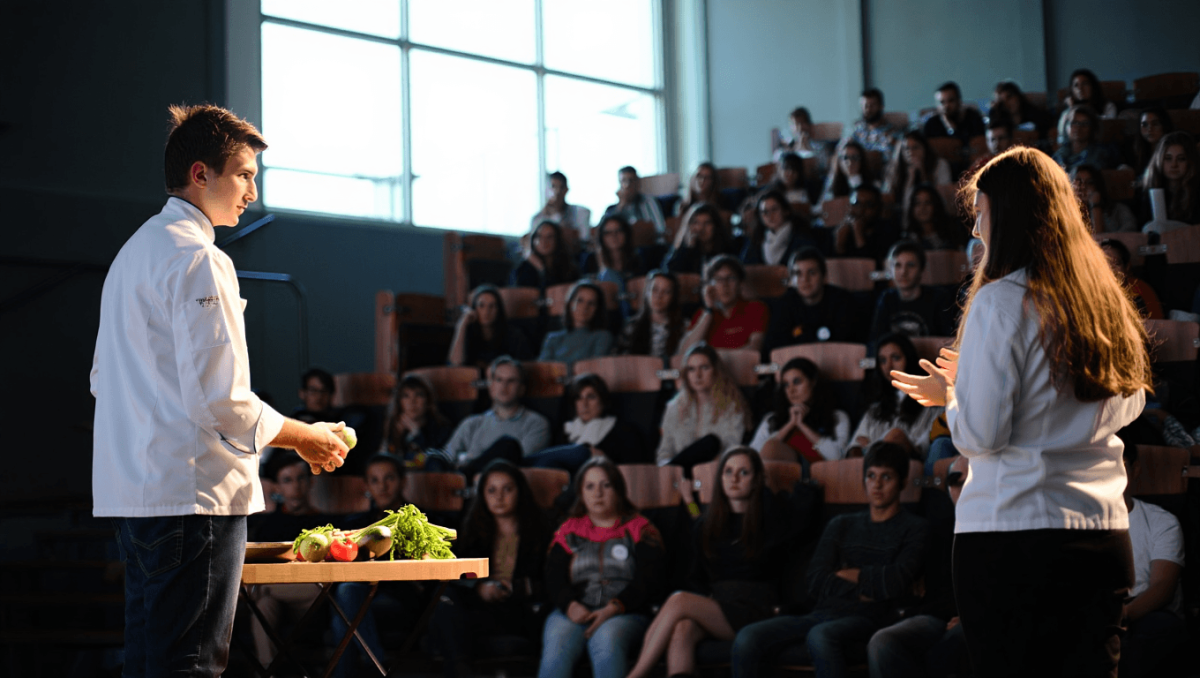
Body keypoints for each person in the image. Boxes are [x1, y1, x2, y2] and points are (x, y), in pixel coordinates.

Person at [91, 104, 349, 677]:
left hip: (133, 496)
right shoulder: (198, 258)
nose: (252, 192)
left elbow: (100, 381)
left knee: (150, 665)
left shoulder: (132, 255)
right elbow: (221, 402)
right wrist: (306, 436)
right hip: (190, 500)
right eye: (244, 175)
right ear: (201, 174)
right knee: (190, 667)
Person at [892, 146, 1151, 677]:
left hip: (1014, 537)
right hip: (1101, 533)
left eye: (981, 214)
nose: (978, 232)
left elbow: (983, 435)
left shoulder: (1001, 301)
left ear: (1006, 216)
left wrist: (956, 395)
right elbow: (1132, 401)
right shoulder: (1102, 300)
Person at [730, 442, 928, 678]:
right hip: (823, 611)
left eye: (887, 477)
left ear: (903, 482)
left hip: (872, 617)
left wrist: (845, 574)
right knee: (746, 637)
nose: (877, 484)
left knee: (820, 636)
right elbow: (815, 580)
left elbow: (896, 583)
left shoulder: (915, 527)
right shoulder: (841, 524)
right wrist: (869, 583)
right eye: (871, 476)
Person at [626, 447, 815, 678]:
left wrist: (769, 489)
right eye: (728, 471)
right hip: (719, 607)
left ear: (756, 480)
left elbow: (804, 507)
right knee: (682, 629)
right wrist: (688, 500)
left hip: (757, 608)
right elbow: (696, 531)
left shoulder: (771, 516)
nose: (734, 478)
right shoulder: (708, 524)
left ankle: (634, 676)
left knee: (679, 601)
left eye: (743, 472)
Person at [538, 457, 666, 678]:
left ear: (618, 489)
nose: (597, 493)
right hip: (574, 610)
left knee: (605, 640)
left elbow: (649, 580)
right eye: (590, 486)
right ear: (581, 493)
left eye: (605, 485)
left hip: (625, 612)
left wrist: (614, 608)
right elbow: (553, 577)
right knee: (557, 645)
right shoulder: (568, 530)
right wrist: (569, 606)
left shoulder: (640, 528)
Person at [428, 460, 551, 678]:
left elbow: (550, 583)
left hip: (519, 611)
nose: (499, 497)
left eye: (507, 489)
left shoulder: (540, 532)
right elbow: (456, 574)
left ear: (519, 492)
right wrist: (479, 587)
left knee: (441, 634)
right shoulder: (473, 530)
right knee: (443, 600)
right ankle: (462, 672)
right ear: (482, 495)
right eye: (491, 490)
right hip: (479, 609)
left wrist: (513, 588)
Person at [866, 454, 969, 678]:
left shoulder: (1002, 529)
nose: (962, 487)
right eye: (955, 480)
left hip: (978, 617)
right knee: (882, 642)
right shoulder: (937, 528)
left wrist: (969, 614)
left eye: (970, 480)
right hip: (938, 615)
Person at [329, 455, 419, 678]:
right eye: (375, 480)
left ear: (402, 481)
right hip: (359, 595)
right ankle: (380, 668)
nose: (383, 486)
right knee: (347, 599)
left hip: (400, 597)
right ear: (367, 485)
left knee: (344, 613)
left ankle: (377, 668)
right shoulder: (354, 524)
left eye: (389, 478)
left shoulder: (419, 521)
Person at [246, 452, 336, 670]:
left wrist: (262, 585)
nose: (295, 486)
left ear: (310, 482)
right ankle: (268, 672)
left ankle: (261, 589)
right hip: (279, 598)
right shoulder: (268, 525)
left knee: (318, 588)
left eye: (300, 478)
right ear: (277, 487)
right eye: (287, 480)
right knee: (264, 605)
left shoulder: (325, 523)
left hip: (312, 596)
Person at [1118, 442, 1187, 678]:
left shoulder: (1162, 521)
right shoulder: (1079, 521)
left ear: (1134, 469)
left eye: (1120, 465)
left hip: (1147, 611)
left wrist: (1122, 617)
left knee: (1157, 630)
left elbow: (1163, 587)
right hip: (1101, 610)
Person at [444, 356, 550, 478]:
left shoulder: (536, 423)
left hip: (502, 486)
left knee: (508, 446)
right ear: (491, 387)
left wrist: (466, 461)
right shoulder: (471, 423)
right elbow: (446, 456)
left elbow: (519, 463)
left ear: (521, 389)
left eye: (511, 381)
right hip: (463, 486)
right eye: (499, 380)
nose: (504, 386)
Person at [656, 344, 750, 474]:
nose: (697, 375)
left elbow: (730, 452)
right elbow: (664, 453)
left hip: (713, 474)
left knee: (711, 442)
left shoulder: (732, 407)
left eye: (704, 368)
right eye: (691, 369)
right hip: (677, 476)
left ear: (716, 371)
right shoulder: (673, 407)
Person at [526, 373, 647, 473]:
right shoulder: (566, 431)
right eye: (579, 398)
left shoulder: (625, 432)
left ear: (603, 401)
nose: (584, 404)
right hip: (564, 485)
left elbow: (633, 472)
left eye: (591, 397)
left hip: (598, 484)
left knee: (582, 452)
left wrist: (604, 460)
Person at [848, 333, 942, 460]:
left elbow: (920, 450)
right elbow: (854, 448)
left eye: (896, 358)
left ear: (909, 359)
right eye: (883, 360)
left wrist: (870, 446)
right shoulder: (874, 409)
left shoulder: (932, 405)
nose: (888, 366)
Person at [749, 357, 851, 465]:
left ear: (813, 382)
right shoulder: (772, 419)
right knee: (771, 447)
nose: (791, 390)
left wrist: (802, 426)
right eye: (786, 385)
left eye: (797, 382)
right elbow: (752, 456)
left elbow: (838, 457)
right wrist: (790, 425)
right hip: (778, 474)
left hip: (820, 475)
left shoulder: (837, 416)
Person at [761, 248, 862, 356]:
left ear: (824, 277)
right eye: (798, 274)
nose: (805, 279)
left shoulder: (843, 301)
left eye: (812, 273)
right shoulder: (783, 304)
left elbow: (848, 346)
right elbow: (774, 347)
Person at [868, 240, 957, 344]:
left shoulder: (939, 297)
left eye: (910, 265)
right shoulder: (886, 298)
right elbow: (875, 340)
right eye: (897, 265)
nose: (903, 272)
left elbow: (949, 341)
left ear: (921, 269)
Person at [678, 256, 769, 354]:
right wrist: (708, 311)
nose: (724, 285)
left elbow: (753, 350)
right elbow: (684, 354)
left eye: (731, 278)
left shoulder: (756, 308)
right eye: (718, 279)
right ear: (710, 286)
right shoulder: (702, 314)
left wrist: (714, 358)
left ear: (740, 283)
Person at [449, 284, 535, 369]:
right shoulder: (468, 333)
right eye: (481, 305)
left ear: (498, 309)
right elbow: (456, 364)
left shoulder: (514, 334)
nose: (487, 311)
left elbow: (525, 366)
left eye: (492, 306)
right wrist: (462, 325)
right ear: (474, 309)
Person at [379, 373, 455, 470]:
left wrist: (416, 434)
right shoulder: (392, 426)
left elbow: (433, 463)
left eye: (419, 395)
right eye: (406, 396)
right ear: (399, 402)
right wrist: (395, 438)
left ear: (428, 401)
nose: (412, 401)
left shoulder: (442, 429)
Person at [539, 280, 614, 365]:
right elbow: (543, 370)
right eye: (580, 300)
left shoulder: (603, 337)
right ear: (570, 303)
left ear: (597, 309)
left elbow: (594, 369)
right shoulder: (552, 338)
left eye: (591, 303)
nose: (585, 307)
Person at [616, 270, 686, 359]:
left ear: (673, 296)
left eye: (666, 292)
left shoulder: (683, 326)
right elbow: (620, 359)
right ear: (647, 292)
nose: (659, 296)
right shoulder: (632, 325)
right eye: (654, 290)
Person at [741, 189, 820, 267]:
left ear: (785, 211)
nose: (770, 216)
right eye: (765, 212)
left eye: (774, 210)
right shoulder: (757, 239)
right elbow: (745, 267)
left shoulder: (801, 235)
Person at [1140, 130, 1200, 228]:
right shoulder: (1150, 190)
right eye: (1168, 158)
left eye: (1181, 159)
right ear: (1159, 160)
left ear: (1190, 161)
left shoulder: (1197, 191)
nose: (1174, 165)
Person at [883, 131, 952, 211]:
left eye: (915, 148)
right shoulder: (895, 167)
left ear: (924, 149)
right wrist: (910, 179)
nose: (911, 153)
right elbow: (887, 194)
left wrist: (922, 173)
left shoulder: (940, 164)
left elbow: (943, 197)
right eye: (906, 148)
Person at [664, 202, 739, 275]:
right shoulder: (683, 249)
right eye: (696, 223)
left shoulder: (727, 250)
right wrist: (687, 248)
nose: (700, 228)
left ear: (715, 226)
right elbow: (670, 273)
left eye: (707, 223)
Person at [833, 185, 900, 263]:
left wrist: (859, 236)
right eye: (856, 203)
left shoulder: (889, 232)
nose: (861, 210)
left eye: (868, 205)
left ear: (878, 208)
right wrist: (840, 246)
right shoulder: (842, 231)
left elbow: (874, 268)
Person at [1099, 239, 1164, 319]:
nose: (1111, 269)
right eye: (1104, 264)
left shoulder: (1141, 289)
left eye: (1116, 264)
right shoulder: (1092, 293)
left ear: (1127, 267)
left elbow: (1157, 323)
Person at [593, 216, 645, 310]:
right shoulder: (592, 261)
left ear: (626, 233)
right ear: (602, 237)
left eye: (618, 231)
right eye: (608, 233)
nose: (614, 236)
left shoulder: (641, 259)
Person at [510, 220, 580, 290]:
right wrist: (540, 268)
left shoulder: (569, 267)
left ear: (558, 240)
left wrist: (542, 269)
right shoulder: (524, 267)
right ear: (533, 240)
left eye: (550, 237)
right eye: (539, 236)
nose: (544, 241)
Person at [602, 166, 668, 239]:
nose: (627, 185)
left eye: (631, 180)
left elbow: (660, 228)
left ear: (638, 183)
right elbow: (603, 233)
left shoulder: (648, 202)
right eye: (624, 181)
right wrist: (621, 205)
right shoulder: (612, 209)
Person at [532, 171, 592, 249]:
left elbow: (584, 239)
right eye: (552, 187)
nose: (556, 192)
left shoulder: (581, 212)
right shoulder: (537, 218)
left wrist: (556, 212)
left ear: (566, 190)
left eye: (559, 187)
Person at [1056, 68, 1118, 142]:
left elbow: (1105, 131)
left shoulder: (1108, 106)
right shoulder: (1067, 111)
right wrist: (1072, 110)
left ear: (1093, 86)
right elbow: (1061, 137)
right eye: (1076, 85)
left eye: (1085, 84)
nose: (1080, 88)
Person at [1072, 164, 1137, 233]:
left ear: (1097, 186)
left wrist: (1096, 206)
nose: (1083, 187)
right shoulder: (1069, 215)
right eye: (1079, 183)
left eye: (1089, 183)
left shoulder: (1118, 210)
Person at [1053, 104, 1118, 171]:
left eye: (1085, 124)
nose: (1078, 128)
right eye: (1074, 123)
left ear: (1092, 128)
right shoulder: (1060, 154)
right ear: (1066, 126)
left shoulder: (1099, 155)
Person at [903, 184, 965, 251]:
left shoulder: (952, 233)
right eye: (917, 203)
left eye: (927, 202)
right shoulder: (908, 240)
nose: (922, 208)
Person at [849, 88, 903, 162]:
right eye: (865, 106)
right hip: (857, 167)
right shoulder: (857, 129)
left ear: (881, 106)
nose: (868, 109)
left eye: (872, 105)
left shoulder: (892, 131)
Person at [988, 81, 1052, 139]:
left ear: (1018, 96)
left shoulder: (1035, 114)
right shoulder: (1000, 120)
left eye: (1009, 97)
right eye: (1002, 101)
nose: (1007, 103)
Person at [1130, 107, 1173, 177]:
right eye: (1144, 125)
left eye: (1155, 124)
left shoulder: (1173, 149)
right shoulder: (1136, 151)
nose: (1149, 129)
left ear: (1164, 125)